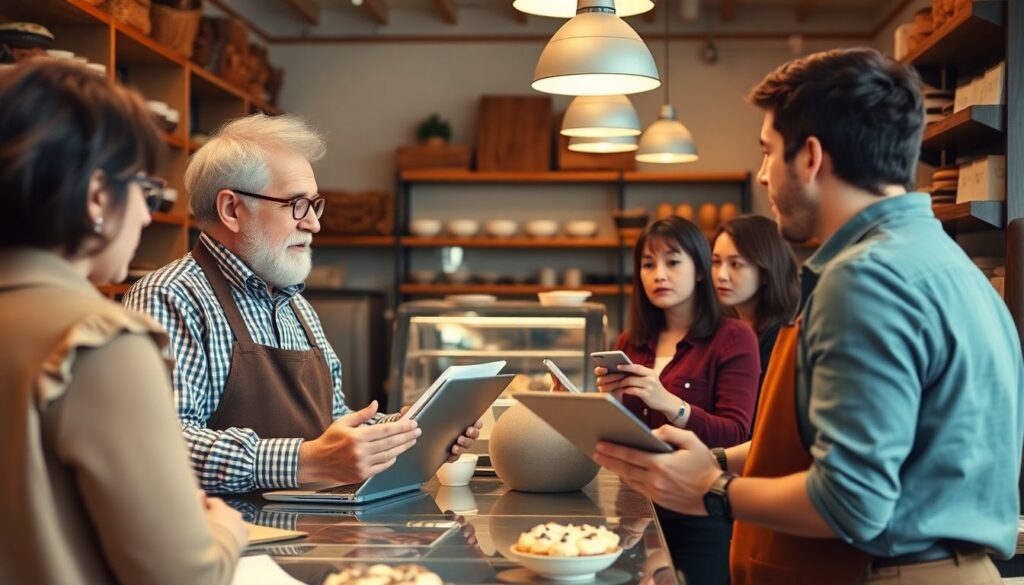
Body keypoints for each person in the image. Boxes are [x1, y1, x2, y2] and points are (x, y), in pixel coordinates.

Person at [593, 47, 1024, 584]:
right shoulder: (944, 263)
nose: (763, 175)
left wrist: (710, 490)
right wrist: (722, 460)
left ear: (811, 158)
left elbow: (853, 500)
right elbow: (838, 441)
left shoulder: (865, 280)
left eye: (769, 152)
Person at [123, 114, 480, 494]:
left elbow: (330, 424)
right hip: (223, 545)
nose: (314, 224)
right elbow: (160, 444)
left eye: (314, 205)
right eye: (296, 204)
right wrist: (302, 461)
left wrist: (408, 430)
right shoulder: (170, 298)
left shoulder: (296, 306)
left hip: (303, 536)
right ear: (231, 209)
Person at [0, 61, 246, 584]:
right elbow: (183, 576)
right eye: (142, 188)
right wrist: (225, 529)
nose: (146, 215)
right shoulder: (100, 339)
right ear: (96, 196)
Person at [597, 216, 760, 585]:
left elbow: (736, 433)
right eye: (648, 264)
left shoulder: (734, 337)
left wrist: (671, 403)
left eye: (673, 262)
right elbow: (622, 435)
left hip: (698, 511)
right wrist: (603, 404)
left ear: (700, 271)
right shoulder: (630, 341)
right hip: (632, 509)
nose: (659, 275)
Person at [711, 214, 799, 392]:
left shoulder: (784, 338)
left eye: (735, 264)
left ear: (766, 271)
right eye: (716, 262)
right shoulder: (721, 328)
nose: (721, 275)